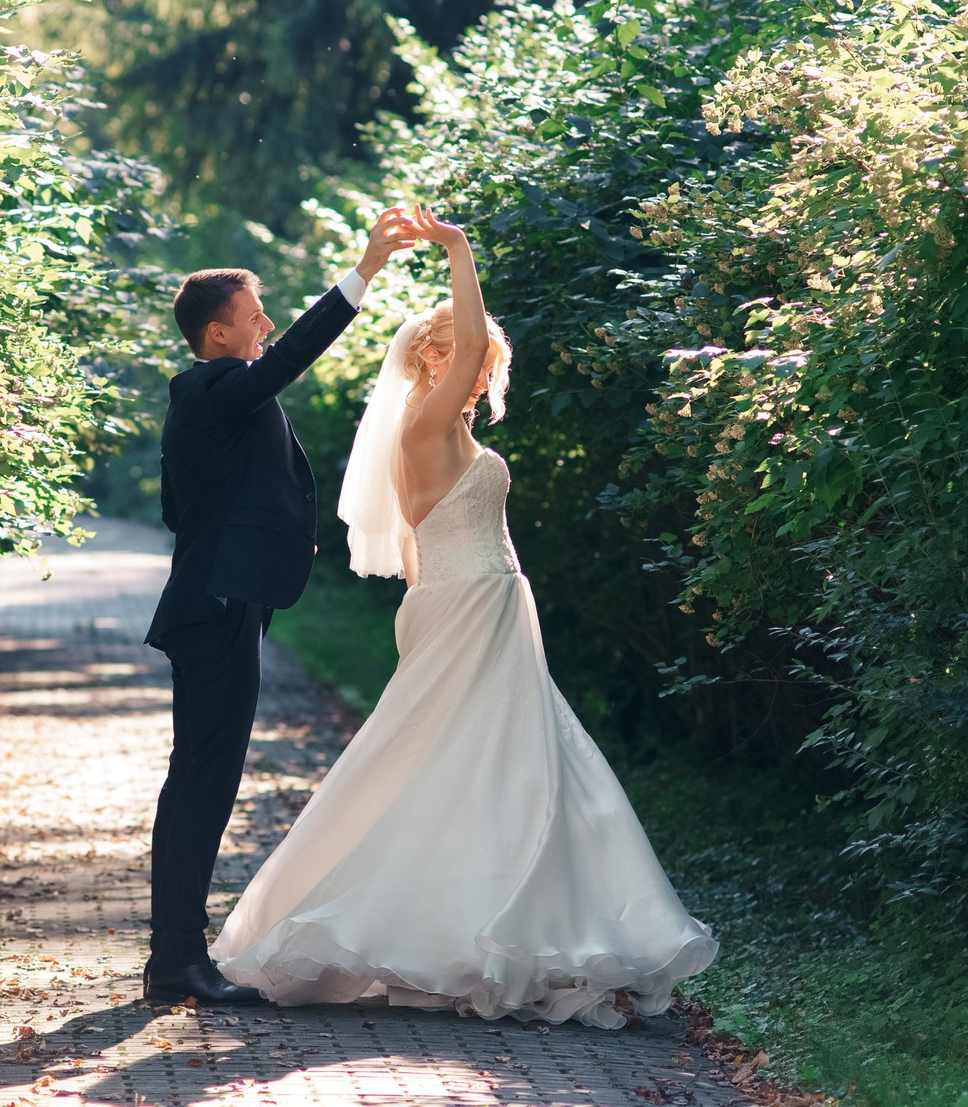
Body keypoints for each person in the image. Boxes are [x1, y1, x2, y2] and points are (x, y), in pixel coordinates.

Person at [210, 207, 718, 1027]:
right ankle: (464, 935)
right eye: (472, 363)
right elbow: (473, 347)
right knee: (492, 767)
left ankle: (517, 933)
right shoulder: (427, 421)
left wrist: (430, 615)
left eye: (489, 367)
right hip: (475, 604)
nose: (482, 374)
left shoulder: (434, 432)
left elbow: (419, 543)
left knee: (496, 769)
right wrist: (457, 247)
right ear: (432, 358)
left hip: (468, 604)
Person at [142, 208, 417, 1007]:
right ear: (219, 334)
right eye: (254, 315)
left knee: (196, 780)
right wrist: (365, 269)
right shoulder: (218, 388)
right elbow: (294, 354)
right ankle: (177, 962)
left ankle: (173, 957)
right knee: (203, 784)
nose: (265, 324)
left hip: (217, 604)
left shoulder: (204, 401)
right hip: (218, 609)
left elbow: (176, 510)